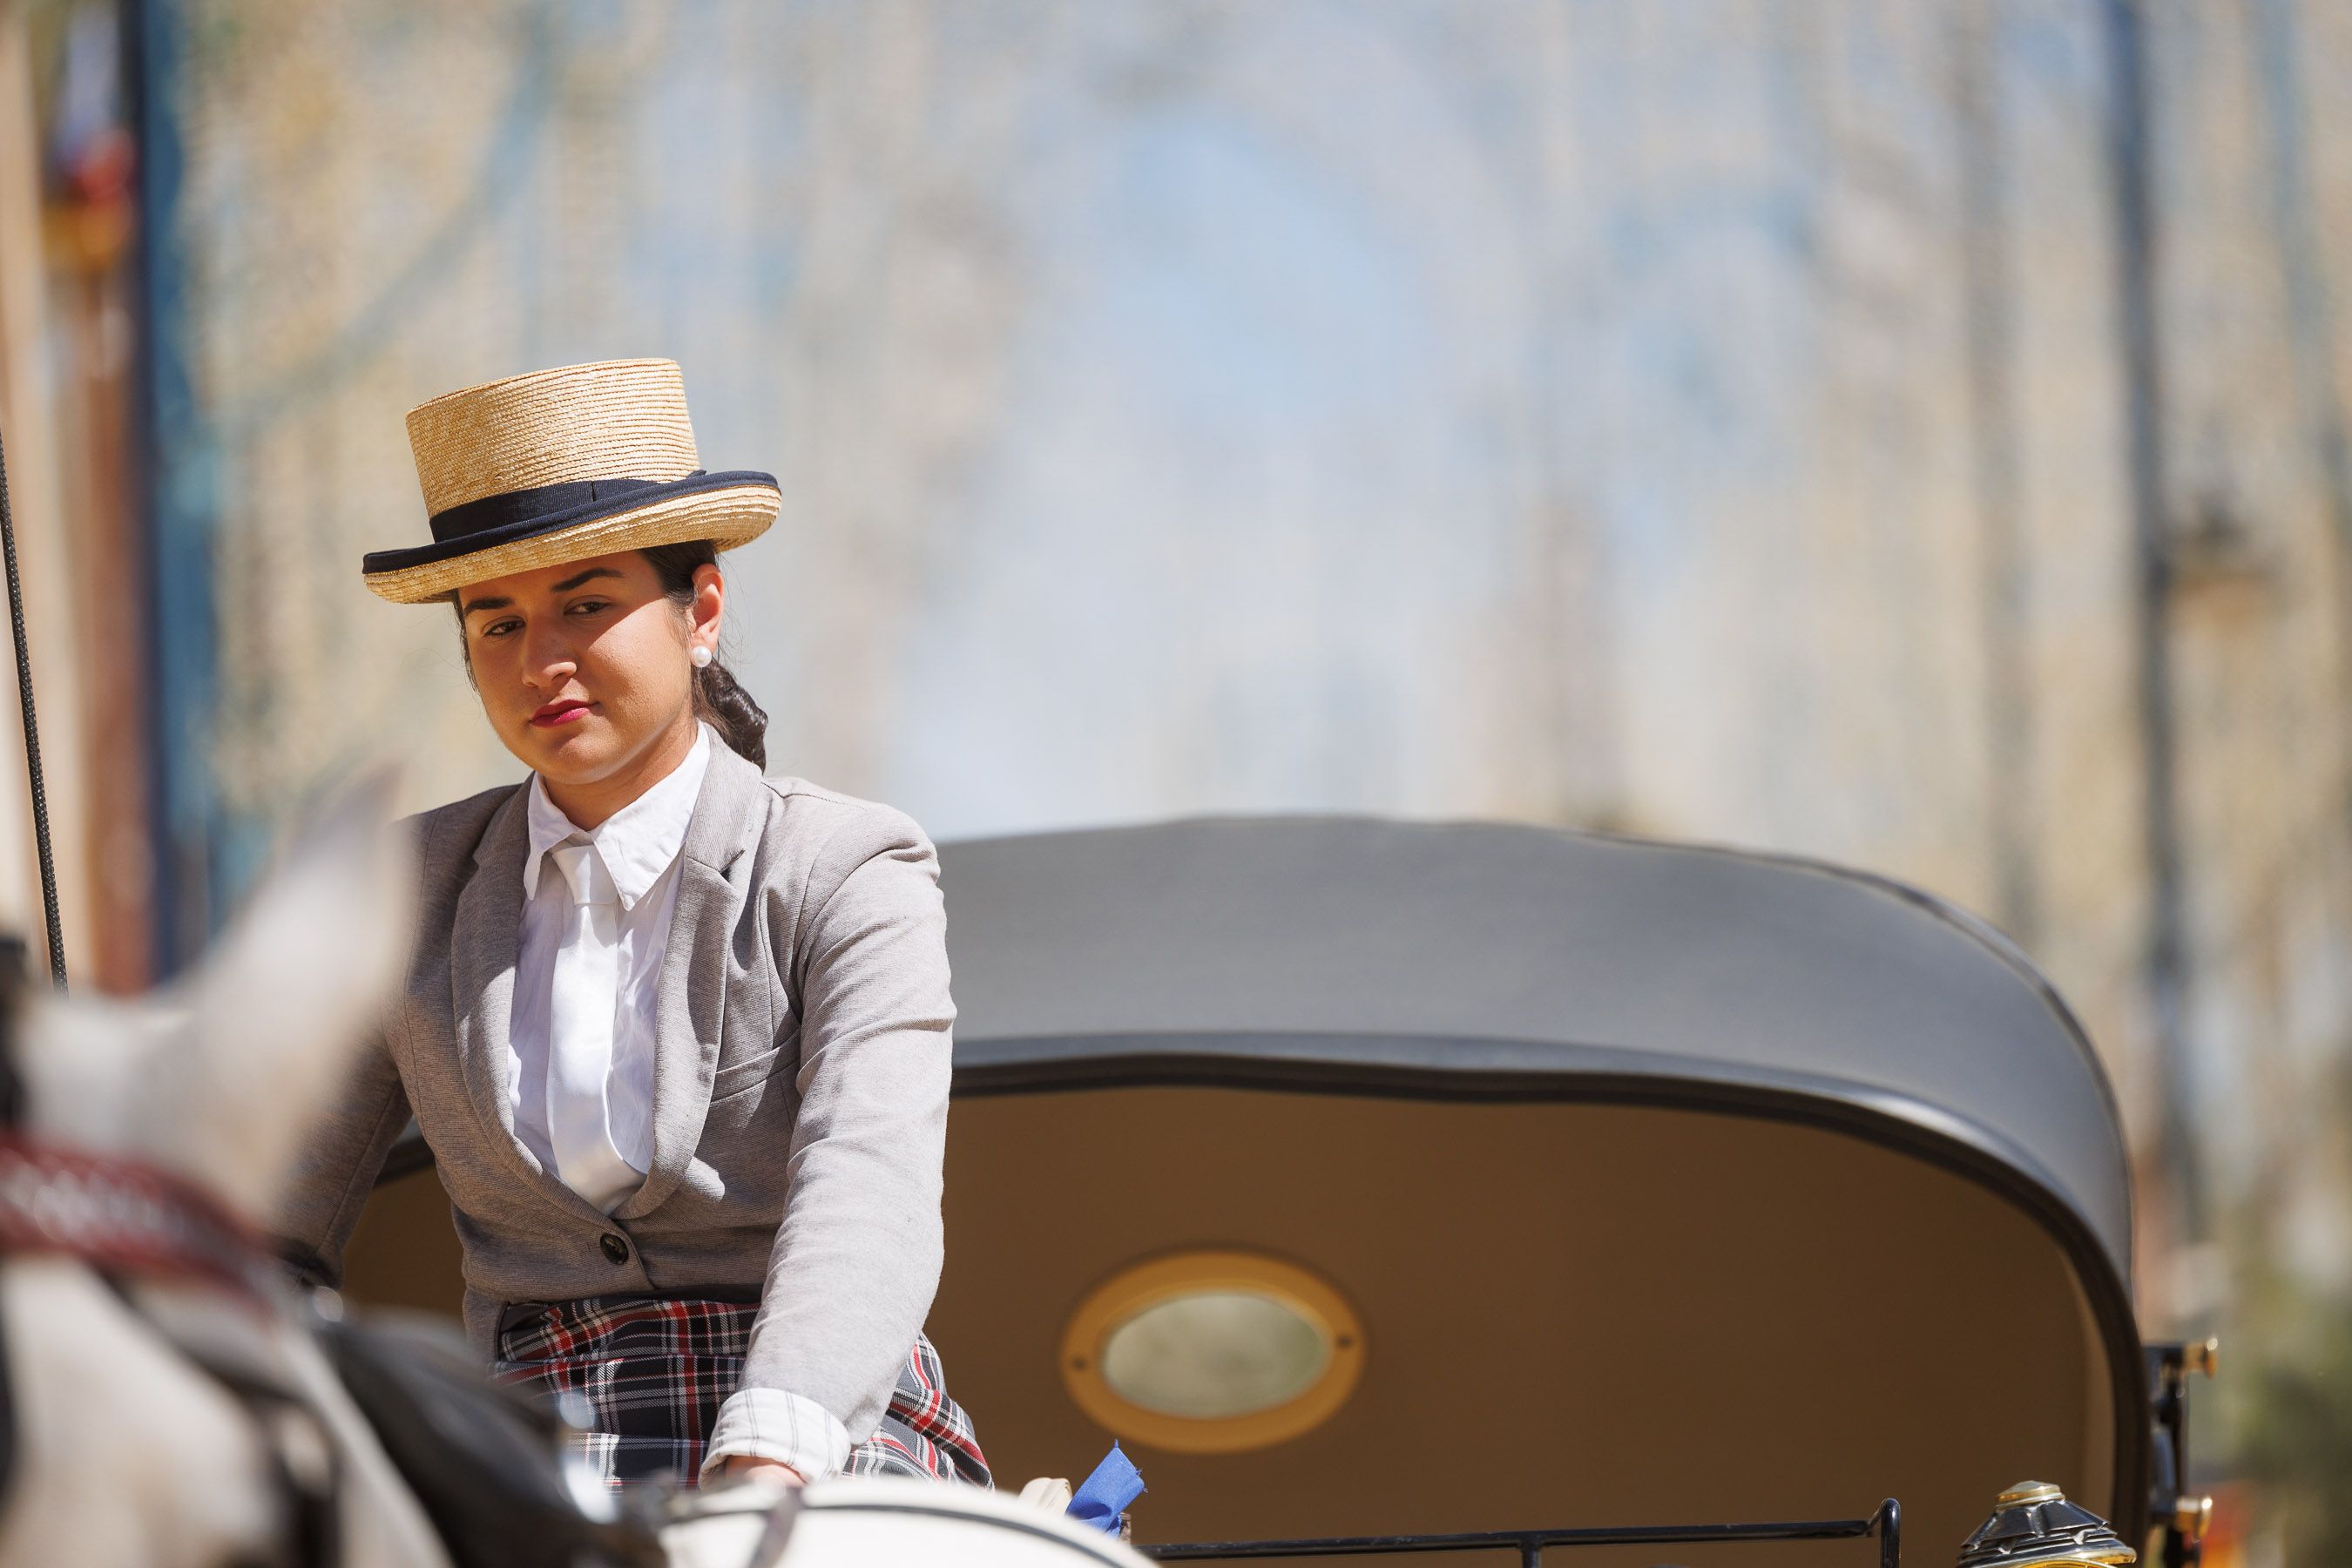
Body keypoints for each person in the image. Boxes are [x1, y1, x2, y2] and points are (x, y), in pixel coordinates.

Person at [274, 357, 988, 1492]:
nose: (539, 660)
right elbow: (272, 1205)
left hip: (827, 1436)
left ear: (701, 608)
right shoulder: (399, 891)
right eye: (495, 621)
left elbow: (871, 1180)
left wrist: (774, 1445)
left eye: (588, 604)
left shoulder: (851, 869)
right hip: (529, 1464)